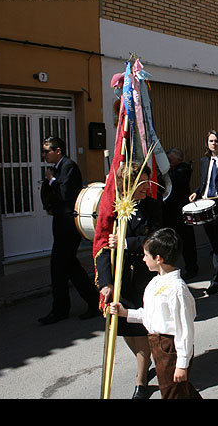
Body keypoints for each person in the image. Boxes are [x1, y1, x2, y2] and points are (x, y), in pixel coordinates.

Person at [109, 228, 201, 399]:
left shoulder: (177, 289)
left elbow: (185, 330)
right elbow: (150, 315)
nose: (143, 259)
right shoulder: (155, 282)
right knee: (180, 392)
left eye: (145, 255)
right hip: (158, 346)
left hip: (171, 348)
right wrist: (125, 313)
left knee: (173, 394)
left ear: (158, 259)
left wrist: (182, 363)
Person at [97, 161, 163, 399]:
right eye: (143, 183)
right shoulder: (112, 209)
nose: (148, 187)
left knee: (140, 327)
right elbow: (102, 248)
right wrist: (105, 282)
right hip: (120, 279)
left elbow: (155, 238)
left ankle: (141, 381)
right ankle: (145, 366)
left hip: (144, 278)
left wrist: (125, 243)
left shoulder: (153, 207)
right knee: (124, 328)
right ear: (130, 184)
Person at [38, 136, 100, 325]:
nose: (44, 155)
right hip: (61, 224)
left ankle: (60, 309)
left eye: (46, 151)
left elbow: (66, 194)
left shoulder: (69, 167)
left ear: (58, 151)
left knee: (59, 267)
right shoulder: (56, 168)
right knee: (70, 268)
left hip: (68, 227)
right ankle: (92, 302)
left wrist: (52, 181)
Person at [189, 130, 218, 295]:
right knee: (215, 244)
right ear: (207, 143)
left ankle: (216, 281)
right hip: (206, 203)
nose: (213, 144)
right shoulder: (203, 161)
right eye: (211, 141)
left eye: (216, 141)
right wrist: (196, 192)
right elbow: (205, 183)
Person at [162, 148, 199, 280]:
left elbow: (174, 179)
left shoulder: (184, 168)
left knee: (187, 242)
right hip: (168, 211)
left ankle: (192, 268)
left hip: (182, 211)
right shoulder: (166, 170)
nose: (168, 163)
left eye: (170, 160)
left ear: (178, 159)